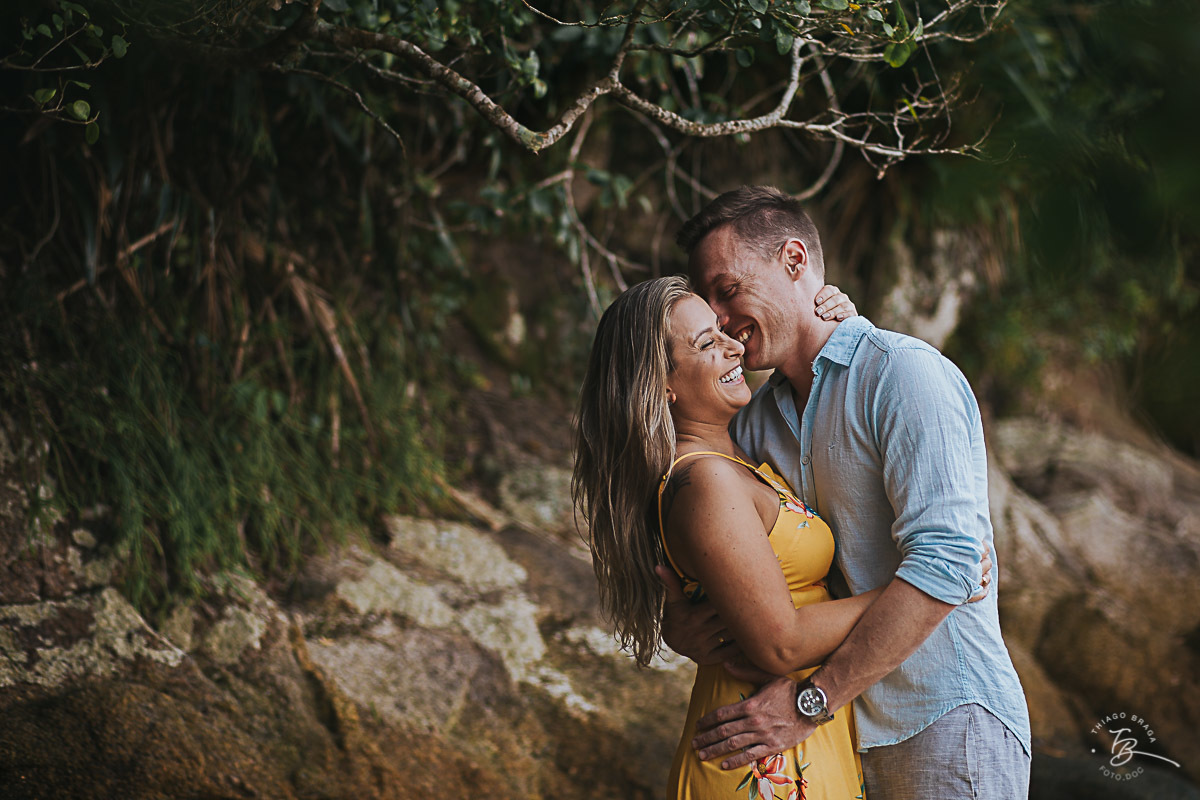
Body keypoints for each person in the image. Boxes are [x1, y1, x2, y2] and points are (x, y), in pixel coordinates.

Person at [661, 186, 1031, 799]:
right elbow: (710, 543)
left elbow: (948, 562)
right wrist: (678, 622)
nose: (720, 321)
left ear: (795, 261)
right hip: (838, 740)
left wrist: (811, 701)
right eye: (709, 304)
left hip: (944, 721)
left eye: (727, 290)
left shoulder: (903, 375)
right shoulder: (753, 423)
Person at [573, 276, 873, 799]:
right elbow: (783, 642)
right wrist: (918, 591)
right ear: (662, 386)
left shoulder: (732, 458)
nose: (733, 346)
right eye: (706, 343)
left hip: (783, 732)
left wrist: (832, 324)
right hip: (759, 754)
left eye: (720, 329)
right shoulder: (705, 481)